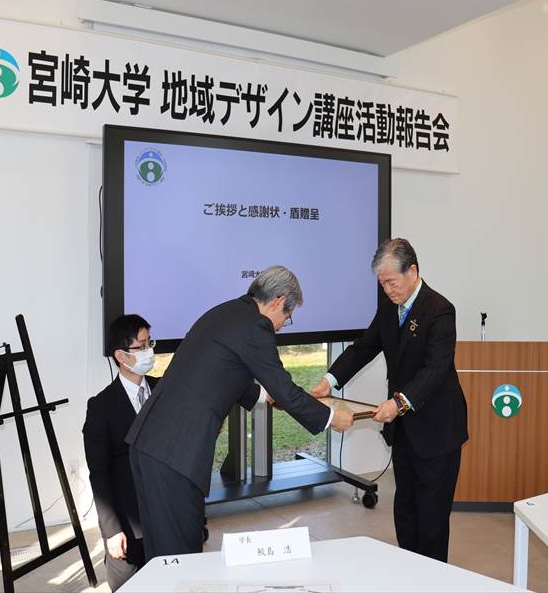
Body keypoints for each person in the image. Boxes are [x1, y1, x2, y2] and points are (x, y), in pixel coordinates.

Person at [126, 266, 354, 562]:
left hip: (151, 444)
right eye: (288, 316)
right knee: (180, 555)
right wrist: (330, 417)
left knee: (162, 552)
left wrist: (263, 395)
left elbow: (223, 368)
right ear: (278, 301)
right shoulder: (256, 326)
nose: (283, 325)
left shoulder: (226, 312)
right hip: (175, 453)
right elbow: (285, 388)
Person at [311, 238, 468, 563]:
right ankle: (407, 569)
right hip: (404, 429)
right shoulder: (388, 308)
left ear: (413, 271)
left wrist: (399, 403)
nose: (387, 289)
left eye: (391, 282)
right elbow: (364, 348)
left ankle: (432, 578)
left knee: (432, 517)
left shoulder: (439, 309)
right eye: (382, 283)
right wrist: (329, 380)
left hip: (437, 429)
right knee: (405, 508)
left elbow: (434, 369)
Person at [83, 314, 159, 591]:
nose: (149, 351)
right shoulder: (101, 406)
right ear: (121, 356)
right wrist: (112, 531)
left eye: (150, 343)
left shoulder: (164, 390)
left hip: (165, 515)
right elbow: (99, 474)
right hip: (129, 524)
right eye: (141, 346)